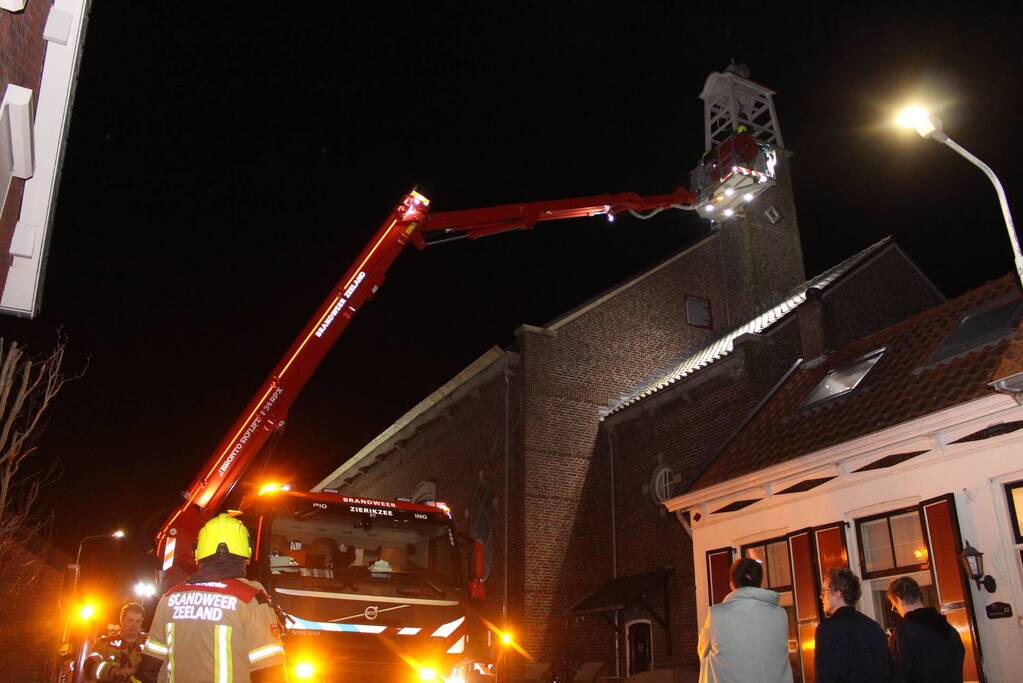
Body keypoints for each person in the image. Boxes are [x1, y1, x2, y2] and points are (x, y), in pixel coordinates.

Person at [136, 514, 287, 682]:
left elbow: (149, 670)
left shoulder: (170, 599)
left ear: (198, 552)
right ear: (247, 553)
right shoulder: (250, 599)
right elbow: (269, 674)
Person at [697, 558, 793, 683]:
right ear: (759, 583)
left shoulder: (716, 615)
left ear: (732, 584)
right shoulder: (780, 615)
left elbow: (703, 650)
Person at [814, 568, 893, 682]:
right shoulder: (873, 626)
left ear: (838, 594)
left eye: (824, 591)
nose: (821, 596)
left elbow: (824, 677)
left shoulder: (827, 630)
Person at [887, 576, 965, 683]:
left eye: (894, 606)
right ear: (919, 595)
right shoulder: (950, 630)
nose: (897, 611)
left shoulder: (902, 634)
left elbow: (899, 676)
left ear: (899, 600)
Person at [85, 602, 147, 682]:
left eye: (137, 621)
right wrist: (114, 671)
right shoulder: (104, 644)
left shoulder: (148, 645)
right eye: (130, 620)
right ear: (122, 620)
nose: (134, 625)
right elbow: (90, 666)